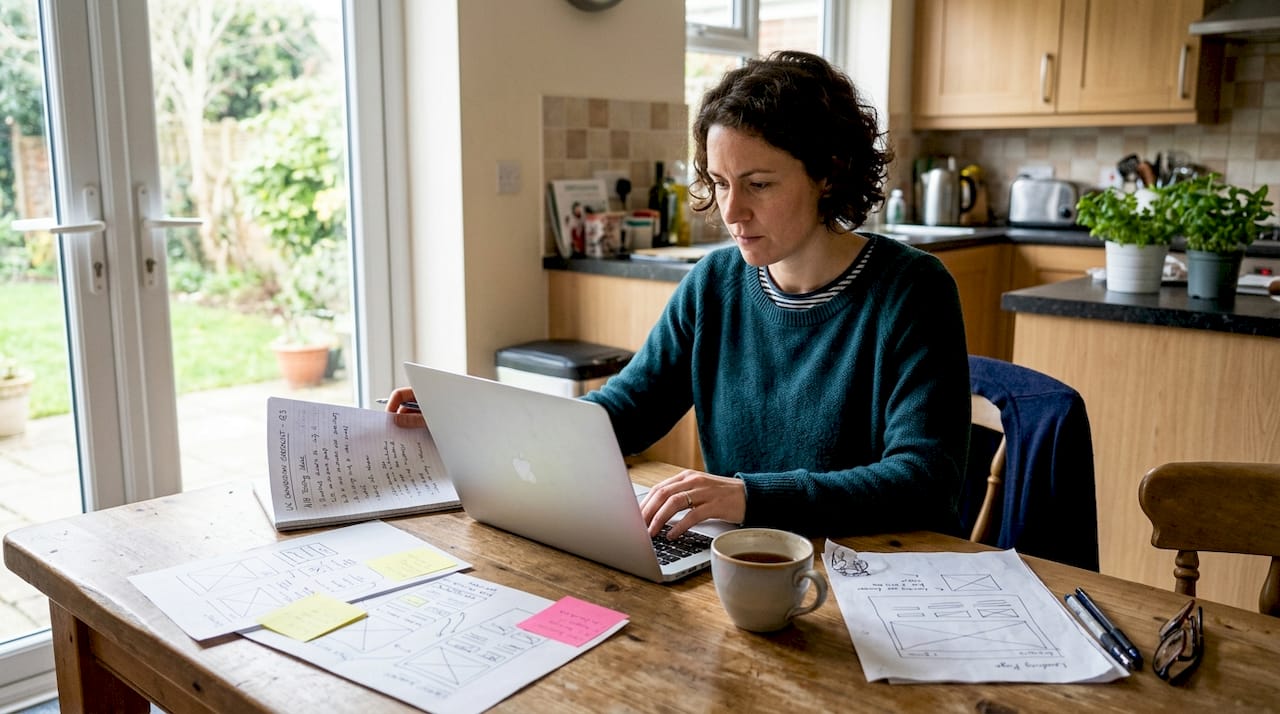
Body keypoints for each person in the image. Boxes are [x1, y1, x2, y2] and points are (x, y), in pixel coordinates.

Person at [389, 50, 970, 542]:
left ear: (829, 172)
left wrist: (749, 496)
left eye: (759, 185)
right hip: (742, 566)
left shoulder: (911, 290)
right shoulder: (714, 284)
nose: (732, 211)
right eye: (719, 183)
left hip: (870, 574)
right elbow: (621, 414)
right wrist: (472, 423)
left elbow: (924, 480)